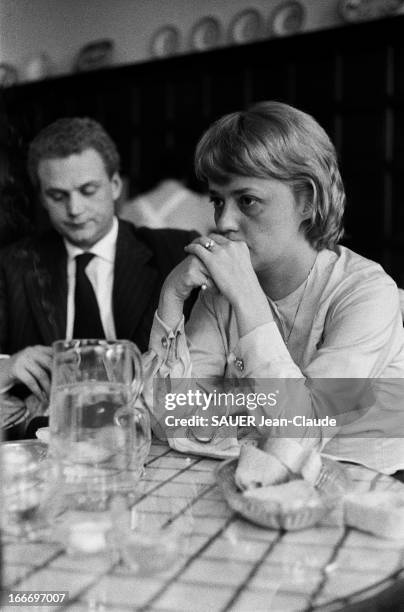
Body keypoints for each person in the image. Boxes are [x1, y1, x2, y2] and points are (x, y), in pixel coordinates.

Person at [144, 101, 404, 475]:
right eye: (218, 200)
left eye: (247, 201)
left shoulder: (367, 293)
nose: (224, 222)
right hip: (260, 487)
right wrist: (170, 299)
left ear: (308, 201)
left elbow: (301, 433)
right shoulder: (220, 293)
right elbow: (170, 421)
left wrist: (248, 299)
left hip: (367, 495)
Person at [0, 117, 197, 424]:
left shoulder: (175, 252)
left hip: (150, 434)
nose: (75, 209)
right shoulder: (12, 264)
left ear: (116, 185)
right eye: (58, 196)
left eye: (88, 190)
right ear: (42, 198)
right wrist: (7, 367)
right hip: (47, 440)